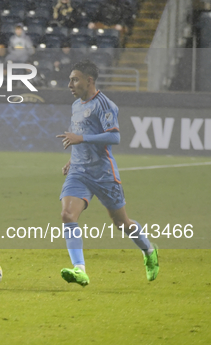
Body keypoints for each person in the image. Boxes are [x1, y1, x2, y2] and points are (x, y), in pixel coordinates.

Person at [56, 59, 159, 286]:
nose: (70, 84)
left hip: (103, 173)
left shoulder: (105, 105)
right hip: (79, 172)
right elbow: (79, 135)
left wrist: (80, 139)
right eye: (70, 80)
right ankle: (80, 270)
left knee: (122, 223)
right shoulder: (76, 106)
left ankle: (149, 251)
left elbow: (114, 137)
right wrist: (71, 160)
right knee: (67, 215)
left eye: (75, 79)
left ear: (89, 80)